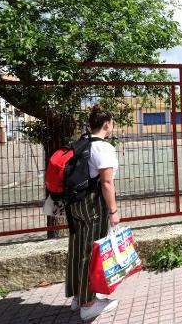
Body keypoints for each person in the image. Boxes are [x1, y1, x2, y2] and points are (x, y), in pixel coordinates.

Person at [65, 104, 121, 321]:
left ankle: (78, 297)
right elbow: (106, 183)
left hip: (75, 203)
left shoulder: (81, 143)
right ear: (107, 124)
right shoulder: (104, 147)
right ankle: (88, 303)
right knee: (91, 250)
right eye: (112, 123)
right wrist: (113, 211)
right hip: (92, 203)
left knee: (78, 248)